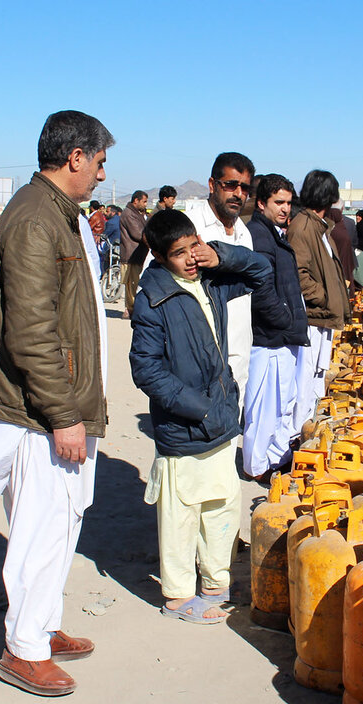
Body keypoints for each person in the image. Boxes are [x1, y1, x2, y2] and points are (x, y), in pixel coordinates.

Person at [0, 109, 112, 698]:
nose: (103, 174)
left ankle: (43, 625)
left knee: (62, 522)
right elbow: (32, 330)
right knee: (37, 527)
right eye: (100, 162)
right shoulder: (33, 220)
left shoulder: (57, 214)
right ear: (75, 157)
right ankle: (23, 650)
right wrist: (63, 414)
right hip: (36, 413)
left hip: (56, 404)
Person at [129, 210, 286, 622]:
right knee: (180, 513)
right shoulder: (153, 299)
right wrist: (196, 408)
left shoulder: (210, 279)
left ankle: (216, 584)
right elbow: (146, 369)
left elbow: (261, 272)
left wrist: (218, 254)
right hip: (184, 424)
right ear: (160, 258)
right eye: (179, 253)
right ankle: (178, 596)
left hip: (220, 416)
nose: (189, 259)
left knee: (222, 504)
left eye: (193, 246)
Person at [243, 174, 308, 478]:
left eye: (288, 203)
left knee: (282, 402)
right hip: (268, 337)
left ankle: (275, 459)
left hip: (281, 335)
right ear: (261, 203)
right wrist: (284, 318)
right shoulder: (259, 234)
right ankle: (257, 466)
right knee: (265, 408)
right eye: (278, 202)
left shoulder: (273, 232)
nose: (285, 209)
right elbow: (261, 287)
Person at [188, 153, 256, 404]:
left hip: (238, 357)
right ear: (212, 184)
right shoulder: (190, 225)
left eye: (245, 188)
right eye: (230, 185)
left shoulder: (243, 234)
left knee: (228, 434)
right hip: (199, 358)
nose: (238, 193)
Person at [289, 169, 349, 431]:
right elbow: (299, 275)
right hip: (313, 318)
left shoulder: (318, 226)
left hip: (321, 317)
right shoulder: (303, 227)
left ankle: (309, 431)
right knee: (304, 382)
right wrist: (324, 298)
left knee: (315, 379)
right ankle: (299, 435)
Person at [119, 190, 149, 318]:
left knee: (135, 283)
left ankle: (132, 309)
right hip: (131, 255)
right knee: (132, 285)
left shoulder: (138, 214)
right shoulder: (129, 214)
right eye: (144, 201)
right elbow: (137, 233)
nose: (145, 204)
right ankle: (131, 309)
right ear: (136, 201)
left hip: (138, 255)